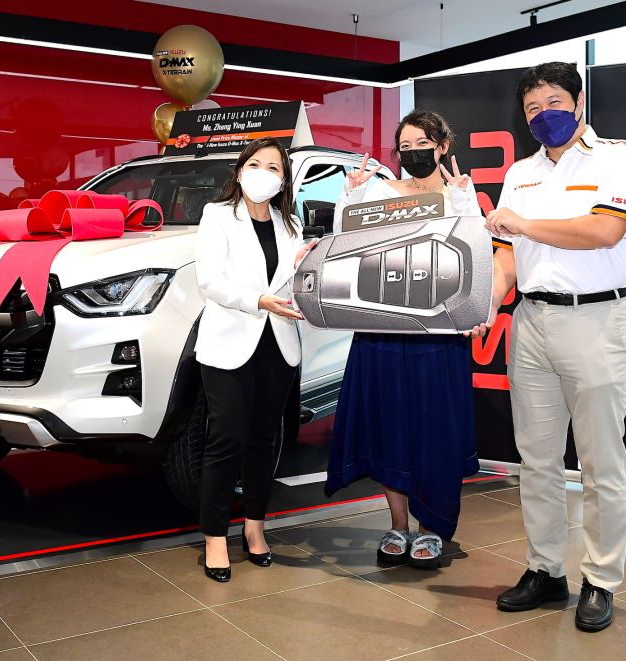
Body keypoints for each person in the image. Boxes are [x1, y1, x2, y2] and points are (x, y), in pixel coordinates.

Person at [484, 62, 626, 632]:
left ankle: (600, 579)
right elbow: (506, 253)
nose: (543, 114)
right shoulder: (520, 172)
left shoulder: (620, 158)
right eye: (532, 107)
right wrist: (491, 301)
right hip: (530, 320)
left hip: (597, 318)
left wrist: (522, 224)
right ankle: (546, 570)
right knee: (536, 459)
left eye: (554, 101)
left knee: (601, 461)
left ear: (578, 102)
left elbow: (605, 231)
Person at [326, 110, 482, 570]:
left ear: (443, 147)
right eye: (406, 146)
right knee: (387, 425)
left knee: (435, 428)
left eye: (423, 144)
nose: (413, 152)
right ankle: (398, 524)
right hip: (382, 328)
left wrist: (464, 202)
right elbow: (344, 242)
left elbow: (476, 253)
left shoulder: (459, 192)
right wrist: (351, 195)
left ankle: (432, 527)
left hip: (438, 331)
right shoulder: (378, 192)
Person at [194, 137, 317, 583]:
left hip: (278, 344)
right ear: (240, 170)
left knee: (265, 441)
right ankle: (214, 536)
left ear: (284, 180)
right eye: (255, 163)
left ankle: (255, 527)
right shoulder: (217, 215)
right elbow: (209, 280)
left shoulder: (290, 224)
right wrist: (258, 301)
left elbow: (294, 280)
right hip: (229, 342)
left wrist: (305, 268)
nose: (263, 173)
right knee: (225, 438)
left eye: (274, 167)